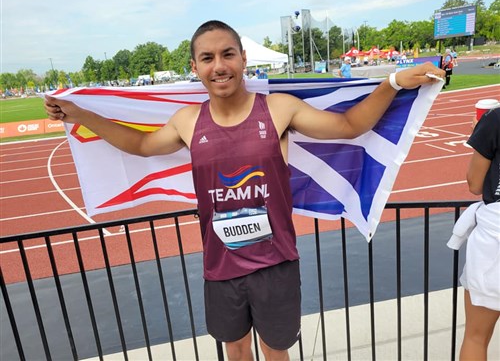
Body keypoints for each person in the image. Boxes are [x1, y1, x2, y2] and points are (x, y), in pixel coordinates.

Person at [45, 20, 445, 361]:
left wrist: (392, 81)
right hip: (221, 268)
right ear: (196, 67)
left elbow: (348, 127)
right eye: (208, 58)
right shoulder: (187, 121)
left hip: (275, 265)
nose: (219, 66)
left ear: (242, 59)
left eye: (227, 54)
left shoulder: (278, 109)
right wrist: (81, 114)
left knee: (276, 352)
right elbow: (140, 145)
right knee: (235, 351)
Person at [447, 107, 500, 361]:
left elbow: (475, 184)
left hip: (494, 240)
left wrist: (481, 133)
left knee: (476, 337)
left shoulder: (495, 118)